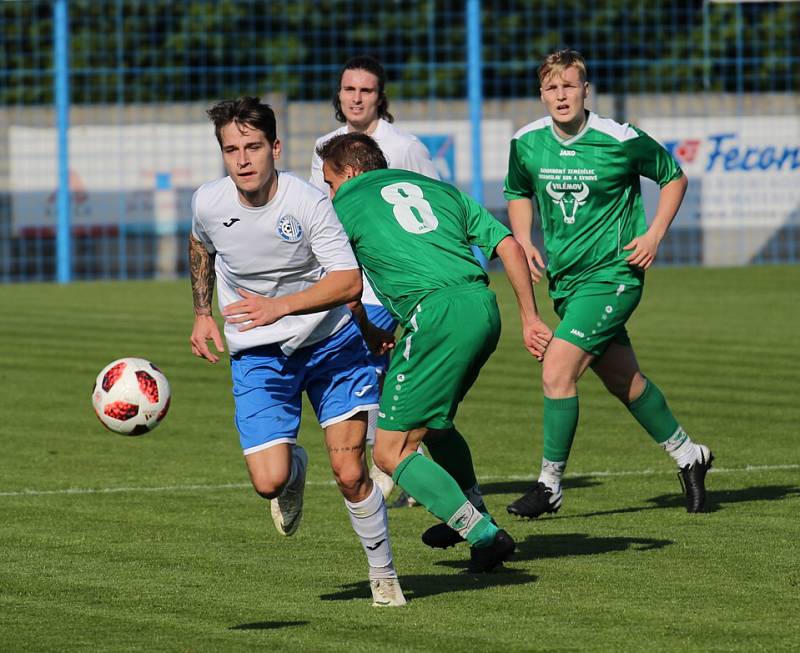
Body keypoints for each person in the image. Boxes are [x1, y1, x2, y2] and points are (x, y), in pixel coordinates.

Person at [188, 96, 405, 607]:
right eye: (231, 149)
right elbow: (201, 246)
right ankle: (292, 470)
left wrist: (281, 307)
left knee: (352, 473)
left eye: (253, 147)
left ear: (275, 148)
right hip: (258, 354)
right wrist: (201, 313)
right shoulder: (208, 202)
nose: (242, 159)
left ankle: (384, 575)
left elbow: (348, 280)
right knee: (269, 481)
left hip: (331, 342)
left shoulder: (308, 202)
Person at [316, 132, 552, 572]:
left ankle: (482, 532)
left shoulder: (344, 205)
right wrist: (531, 319)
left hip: (434, 316)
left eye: (330, 182)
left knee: (389, 452)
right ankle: (466, 515)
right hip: (483, 309)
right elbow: (509, 247)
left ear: (348, 173)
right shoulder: (440, 191)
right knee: (435, 426)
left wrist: (366, 328)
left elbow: (345, 287)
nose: (330, 192)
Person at [503, 49, 714, 518]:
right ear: (542, 93)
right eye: (552, 87)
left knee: (557, 370)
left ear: (585, 91)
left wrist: (654, 233)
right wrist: (522, 237)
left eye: (569, 86)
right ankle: (689, 456)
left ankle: (549, 486)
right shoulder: (526, 142)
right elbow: (518, 190)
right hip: (568, 283)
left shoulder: (619, 138)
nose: (561, 95)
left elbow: (673, 177)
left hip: (615, 276)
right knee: (625, 381)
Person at [310, 55, 440, 507]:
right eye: (349, 90)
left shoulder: (405, 147)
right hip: (343, 283)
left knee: (372, 366)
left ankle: (393, 464)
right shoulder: (326, 146)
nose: (356, 98)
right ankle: (412, 459)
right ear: (339, 95)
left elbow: (437, 203)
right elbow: (319, 216)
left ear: (380, 97)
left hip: (388, 283)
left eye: (366, 90)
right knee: (377, 373)